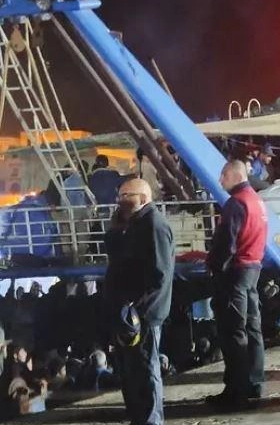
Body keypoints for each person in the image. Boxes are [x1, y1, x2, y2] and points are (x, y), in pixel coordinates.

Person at [103, 178, 174, 425]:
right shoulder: (134, 225)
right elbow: (118, 258)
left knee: (145, 370)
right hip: (128, 313)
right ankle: (138, 417)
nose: (120, 201)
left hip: (143, 315)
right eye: (119, 195)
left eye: (126, 196)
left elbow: (160, 275)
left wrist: (138, 310)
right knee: (131, 371)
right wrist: (114, 230)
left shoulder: (153, 225)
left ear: (143, 198)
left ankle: (151, 420)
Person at [205, 160, 268, 409]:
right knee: (253, 328)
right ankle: (255, 382)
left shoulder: (235, 203)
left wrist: (213, 265)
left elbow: (226, 243)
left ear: (233, 175)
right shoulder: (256, 200)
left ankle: (235, 390)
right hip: (253, 268)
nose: (220, 181)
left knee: (233, 331)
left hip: (235, 272)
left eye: (223, 176)